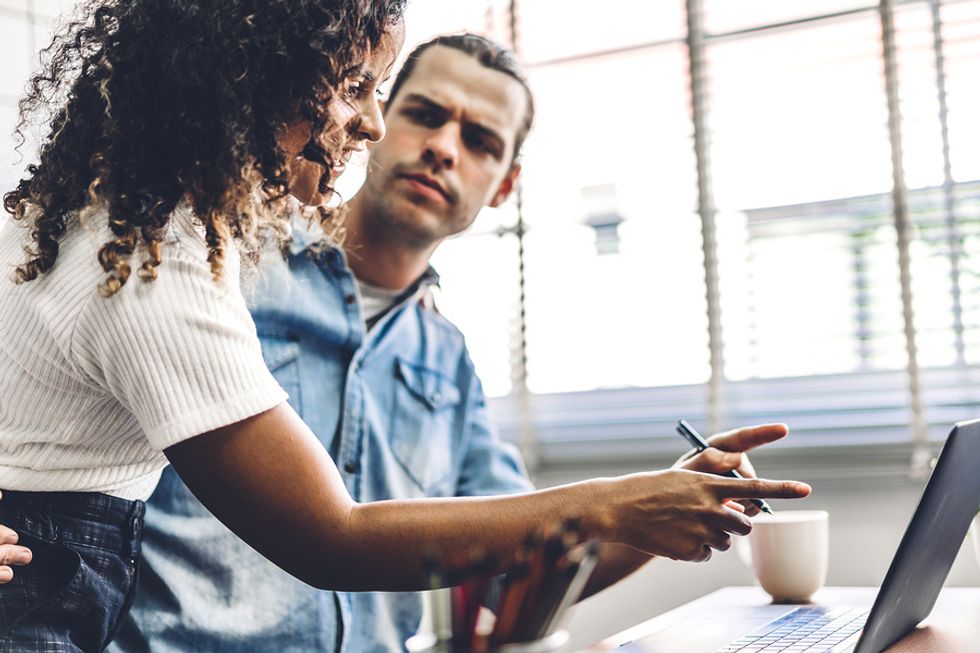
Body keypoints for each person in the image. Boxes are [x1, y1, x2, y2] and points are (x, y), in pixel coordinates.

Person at [0, 3, 809, 650]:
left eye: (481, 140)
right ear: (267, 79)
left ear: (504, 186)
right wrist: (613, 502)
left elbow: (511, 559)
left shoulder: (442, 359)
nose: (397, 134)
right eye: (390, 99)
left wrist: (670, 502)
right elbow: (330, 535)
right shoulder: (199, 267)